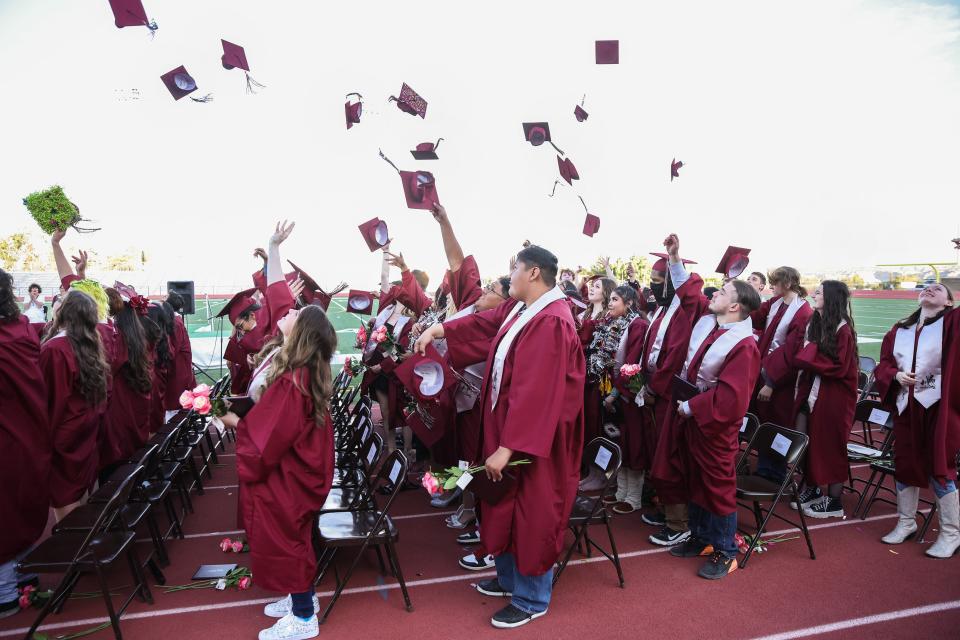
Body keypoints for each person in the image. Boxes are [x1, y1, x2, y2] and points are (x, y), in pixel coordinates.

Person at [415, 245, 584, 629]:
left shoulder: (553, 320)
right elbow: (483, 324)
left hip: (534, 441)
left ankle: (532, 597)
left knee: (531, 513)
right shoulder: (523, 311)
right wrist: (438, 328)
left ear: (535, 273)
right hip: (509, 429)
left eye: (516, 268)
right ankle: (510, 580)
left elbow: (537, 391)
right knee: (503, 503)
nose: (510, 275)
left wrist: (508, 447)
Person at [236, 304, 336, 640]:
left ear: (301, 329)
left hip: (290, 477)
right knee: (296, 538)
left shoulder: (295, 380)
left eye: (295, 312)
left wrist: (231, 421)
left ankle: (305, 616)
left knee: (288, 540)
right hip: (299, 470)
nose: (288, 311)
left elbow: (268, 442)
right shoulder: (304, 371)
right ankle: (299, 599)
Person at [667, 279, 761, 579]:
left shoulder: (744, 345)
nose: (714, 293)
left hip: (716, 427)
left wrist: (692, 406)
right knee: (696, 479)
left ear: (734, 306)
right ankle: (702, 537)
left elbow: (730, 398)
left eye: (722, 292)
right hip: (695, 421)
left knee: (718, 486)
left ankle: (726, 551)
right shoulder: (713, 328)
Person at [873, 283, 959, 557]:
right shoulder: (900, 330)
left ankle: (951, 534)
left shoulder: (952, 325)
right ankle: (906, 522)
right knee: (905, 464)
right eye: (927, 287)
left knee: (940, 466)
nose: (930, 289)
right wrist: (895, 376)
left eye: (939, 289)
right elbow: (883, 363)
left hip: (939, 408)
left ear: (949, 303)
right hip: (906, 406)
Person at [645, 237, 711, 545]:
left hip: (672, 393)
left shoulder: (690, 311)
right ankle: (668, 509)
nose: (653, 287)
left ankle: (679, 521)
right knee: (658, 454)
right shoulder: (663, 310)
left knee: (669, 458)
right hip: (659, 390)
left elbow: (673, 355)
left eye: (659, 282)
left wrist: (653, 386)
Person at [0, 269, 50, 619]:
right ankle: (20, 572)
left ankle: (4, 588)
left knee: (4, 511)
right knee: (20, 504)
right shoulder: (22, 329)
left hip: (6, 436)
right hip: (29, 432)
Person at [792, 281, 859, 519]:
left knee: (831, 445)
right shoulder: (817, 323)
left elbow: (839, 368)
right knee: (807, 441)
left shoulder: (843, 329)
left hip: (834, 397)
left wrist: (808, 358)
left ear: (830, 298)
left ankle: (834, 501)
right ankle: (811, 486)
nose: (813, 295)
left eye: (818, 292)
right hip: (811, 392)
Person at [41, 289, 109, 521]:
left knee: (65, 500)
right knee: (80, 495)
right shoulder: (90, 344)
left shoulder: (55, 349)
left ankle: (74, 551)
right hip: (85, 427)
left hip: (65, 434)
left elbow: (52, 400)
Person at [98, 285, 153, 483]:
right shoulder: (136, 336)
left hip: (119, 414)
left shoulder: (115, 338)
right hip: (134, 409)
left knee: (114, 475)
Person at [602, 286, 648, 514]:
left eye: (614, 299)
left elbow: (632, 363)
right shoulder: (620, 324)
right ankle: (621, 490)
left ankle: (634, 497)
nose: (609, 303)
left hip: (632, 393)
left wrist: (616, 393)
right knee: (622, 441)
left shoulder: (638, 325)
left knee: (634, 443)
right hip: (621, 391)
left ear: (629, 303)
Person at [751, 267, 812, 431]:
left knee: (774, 422)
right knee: (755, 418)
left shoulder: (803, 312)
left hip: (781, 379)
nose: (772, 286)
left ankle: (769, 456)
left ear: (787, 283)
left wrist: (771, 383)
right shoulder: (775, 302)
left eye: (775, 282)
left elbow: (792, 352)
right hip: (761, 369)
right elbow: (755, 319)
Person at [163, 291, 196, 419]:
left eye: (165, 298)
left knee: (175, 406)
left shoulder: (175, 323)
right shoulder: (176, 321)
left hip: (177, 370)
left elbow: (172, 349)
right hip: (179, 368)